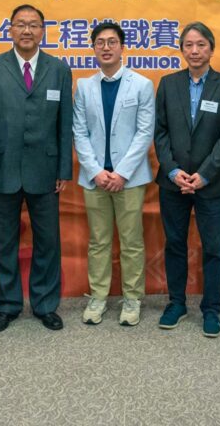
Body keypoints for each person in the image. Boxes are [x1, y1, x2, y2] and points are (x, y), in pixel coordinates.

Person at [0, 5, 73, 333]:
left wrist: (64, 168)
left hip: (46, 170)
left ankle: (46, 304)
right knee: (4, 240)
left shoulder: (58, 69)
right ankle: (7, 305)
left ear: (43, 30)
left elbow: (65, 122)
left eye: (34, 25)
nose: (27, 31)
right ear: (10, 29)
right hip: (2, 169)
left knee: (48, 241)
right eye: (21, 25)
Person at [154, 22, 220, 338]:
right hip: (173, 182)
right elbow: (160, 133)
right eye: (188, 44)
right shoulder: (168, 84)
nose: (194, 50)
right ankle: (176, 304)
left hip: (212, 183)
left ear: (211, 49)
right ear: (181, 50)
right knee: (175, 244)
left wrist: (203, 175)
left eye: (201, 44)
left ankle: (211, 309)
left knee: (214, 247)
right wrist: (175, 172)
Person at [73, 22, 155, 326]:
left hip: (130, 179)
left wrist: (120, 173)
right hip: (94, 179)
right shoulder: (83, 86)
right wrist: (96, 171)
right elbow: (79, 132)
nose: (106, 47)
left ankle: (132, 299)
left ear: (122, 47)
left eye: (112, 42)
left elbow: (144, 132)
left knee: (132, 241)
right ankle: (98, 297)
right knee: (99, 241)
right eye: (100, 43)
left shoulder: (142, 84)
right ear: (93, 48)